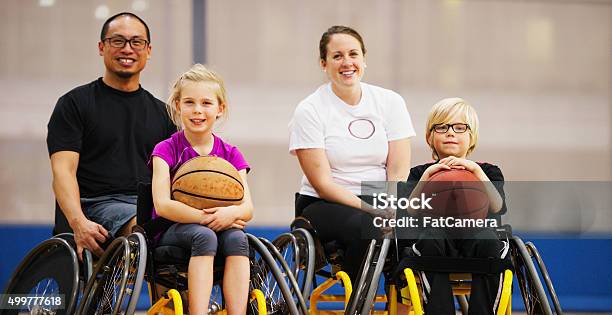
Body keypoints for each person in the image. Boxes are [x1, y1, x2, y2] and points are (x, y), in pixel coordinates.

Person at [289, 25, 415, 283]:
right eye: (337, 56)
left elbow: (398, 169)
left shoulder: (390, 102)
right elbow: (323, 185)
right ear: (324, 63)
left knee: (419, 230)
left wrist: (390, 204)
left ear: (364, 60)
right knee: (369, 228)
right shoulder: (310, 110)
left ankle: (403, 304)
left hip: (381, 197)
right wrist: (373, 210)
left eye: (353, 54)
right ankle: (357, 303)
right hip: (324, 203)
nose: (347, 62)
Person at [47, 12, 175, 260]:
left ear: (148, 50)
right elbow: (62, 172)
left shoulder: (165, 114)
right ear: (101, 47)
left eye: (136, 42)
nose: (127, 49)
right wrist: (78, 222)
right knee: (153, 225)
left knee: (192, 231)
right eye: (118, 41)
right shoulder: (74, 104)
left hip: (147, 208)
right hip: (93, 206)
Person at [150, 64, 253, 315]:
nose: (198, 110)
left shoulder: (231, 153)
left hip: (220, 226)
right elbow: (162, 205)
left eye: (206, 103)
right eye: (189, 102)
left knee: (239, 238)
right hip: (171, 229)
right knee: (204, 235)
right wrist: (207, 219)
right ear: (177, 106)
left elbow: (247, 208)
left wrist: (230, 215)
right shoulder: (165, 149)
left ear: (220, 109)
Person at [400, 97, 508, 315]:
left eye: (460, 128)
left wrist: (476, 172)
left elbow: (497, 207)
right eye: (441, 127)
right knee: (427, 242)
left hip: (476, 236)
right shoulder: (419, 173)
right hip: (436, 238)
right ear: (429, 137)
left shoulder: (488, 171)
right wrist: (428, 177)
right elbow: (408, 210)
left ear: (472, 137)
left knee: (489, 243)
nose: (450, 132)